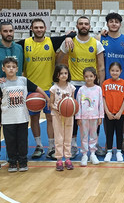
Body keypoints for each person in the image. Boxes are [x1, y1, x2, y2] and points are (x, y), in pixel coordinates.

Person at [19, 18, 75, 160]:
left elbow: (72, 34)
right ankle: (38, 146)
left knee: (51, 118)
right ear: (32, 29)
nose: (38, 29)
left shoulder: (51, 42)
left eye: (41, 27)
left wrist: (68, 36)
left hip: (50, 88)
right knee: (34, 118)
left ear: (45, 29)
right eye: (36, 27)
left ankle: (51, 147)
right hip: (31, 89)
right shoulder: (24, 44)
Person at [58, 16, 105, 159]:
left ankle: (94, 144)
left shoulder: (96, 43)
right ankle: (72, 145)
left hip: (92, 85)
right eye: (81, 24)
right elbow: (59, 59)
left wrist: (100, 85)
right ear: (77, 26)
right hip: (74, 85)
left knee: (94, 115)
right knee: (72, 115)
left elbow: (101, 66)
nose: (84, 26)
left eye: (86, 24)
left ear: (90, 26)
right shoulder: (69, 42)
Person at [0, 57, 49, 172]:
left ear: (17, 69)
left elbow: (37, 88)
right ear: (3, 69)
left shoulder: (23, 80)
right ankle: (12, 162)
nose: (11, 69)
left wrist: (47, 99)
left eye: (13, 67)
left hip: (22, 117)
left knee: (22, 141)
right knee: (10, 142)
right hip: (7, 118)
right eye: (8, 67)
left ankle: (22, 161)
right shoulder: (2, 84)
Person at [98, 12, 124, 154]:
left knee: (122, 113)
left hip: (123, 81)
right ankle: (108, 140)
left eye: (116, 22)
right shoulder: (100, 38)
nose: (114, 24)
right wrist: (100, 83)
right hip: (107, 82)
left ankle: (122, 139)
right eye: (111, 21)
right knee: (108, 113)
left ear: (120, 24)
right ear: (107, 24)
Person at [0, 22, 24, 158]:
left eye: (10, 31)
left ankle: (16, 157)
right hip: (1, 91)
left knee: (16, 125)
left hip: (16, 93)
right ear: (1, 33)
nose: (9, 33)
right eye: (5, 31)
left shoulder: (19, 48)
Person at [102, 62, 124, 162]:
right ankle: (109, 151)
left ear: (121, 71)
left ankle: (119, 151)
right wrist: (107, 112)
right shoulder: (105, 83)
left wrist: (120, 112)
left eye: (117, 71)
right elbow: (103, 98)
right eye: (112, 70)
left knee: (119, 133)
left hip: (120, 114)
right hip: (109, 114)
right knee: (109, 133)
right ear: (109, 71)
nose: (115, 73)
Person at [49, 64, 76, 171]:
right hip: (57, 115)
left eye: (65, 73)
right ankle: (59, 159)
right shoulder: (54, 88)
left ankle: (68, 158)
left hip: (69, 115)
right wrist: (57, 109)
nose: (64, 75)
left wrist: (70, 110)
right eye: (61, 73)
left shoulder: (71, 87)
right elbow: (50, 103)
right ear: (57, 75)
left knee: (68, 136)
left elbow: (73, 103)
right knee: (59, 137)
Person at [75, 67, 104, 166]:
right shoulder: (81, 90)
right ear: (83, 77)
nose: (89, 78)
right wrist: (78, 117)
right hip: (83, 117)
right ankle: (84, 155)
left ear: (95, 77)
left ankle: (92, 153)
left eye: (91, 76)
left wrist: (100, 116)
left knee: (93, 135)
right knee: (84, 136)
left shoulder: (98, 89)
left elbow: (100, 103)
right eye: (86, 76)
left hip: (94, 116)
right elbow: (78, 104)